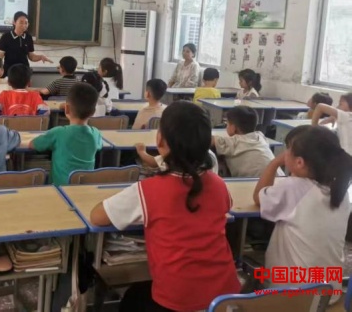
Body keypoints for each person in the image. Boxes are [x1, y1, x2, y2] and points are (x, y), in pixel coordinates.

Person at [90, 101, 240, 311]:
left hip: (178, 300)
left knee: (133, 299)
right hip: (225, 296)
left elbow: (97, 217)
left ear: (160, 140)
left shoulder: (149, 190)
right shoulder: (218, 184)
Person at [253, 125, 352, 304]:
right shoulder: (341, 192)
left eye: (288, 149)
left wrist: (274, 163)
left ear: (299, 162)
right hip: (330, 292)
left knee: (253, 280)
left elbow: (258, 197)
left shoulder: (293, 188)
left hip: (294, 297)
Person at [30, 83, 103, 186]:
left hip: (59, 190)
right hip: (84, 189)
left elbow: (33, 145)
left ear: (67, 108)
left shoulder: (58, 133)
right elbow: (100, 145)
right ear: (93, 112)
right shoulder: (95, 133)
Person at [213, 106, 275, 177]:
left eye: (227, 124)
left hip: (259, 181)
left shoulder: (233, 142)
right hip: (279, 177)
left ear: (233, 128)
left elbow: (208, 139)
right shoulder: (261, 136)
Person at [0, 11, 53, 76]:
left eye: (26, 23)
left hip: (24, 72)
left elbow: (31, 56)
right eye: (21, 22)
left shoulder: (28, 37)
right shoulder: (5, 37)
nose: (24, 25)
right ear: (14, 22)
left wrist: (41, 57)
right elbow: (0, 56)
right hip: (9, 72)